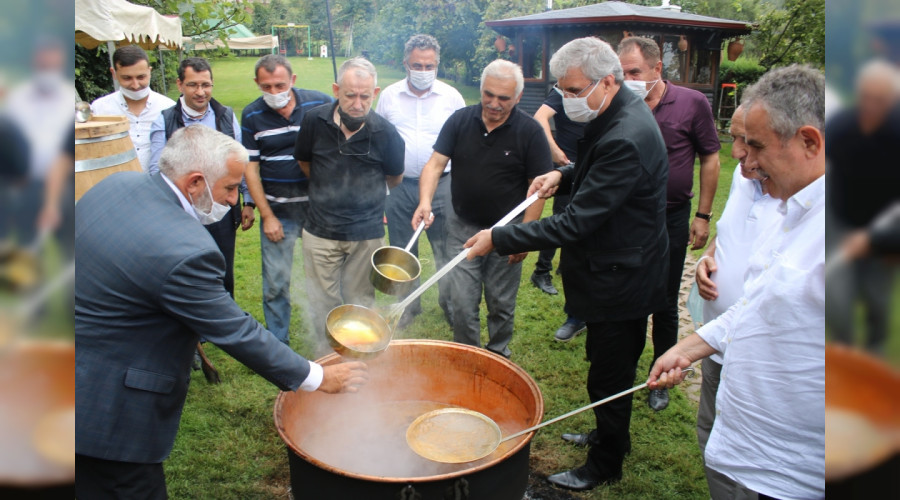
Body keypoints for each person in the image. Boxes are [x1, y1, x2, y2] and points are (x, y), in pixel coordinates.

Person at [75, 125, 368, 499]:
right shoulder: (183, 249)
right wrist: (315, 377)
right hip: (104, 410)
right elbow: (235, 330)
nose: (234, 201)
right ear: (195, 182)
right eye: (231, 188)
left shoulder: (115, 186)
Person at [465, 37, 668, 490]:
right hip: (615, 269)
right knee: (604, 362)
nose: (567, 101)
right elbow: (592, 165)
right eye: (563, 91)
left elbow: (573, 225)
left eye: (574, 92)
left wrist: (497, 237)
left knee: (610, 374)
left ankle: (604, 463)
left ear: (607, 82)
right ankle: (608, 434)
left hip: (622, 277)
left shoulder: (627, 136)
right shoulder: (614, 113)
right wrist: (563, 172)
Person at [649, 64, 826, 500]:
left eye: (757, 145)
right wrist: (687, 349)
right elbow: (758, 303)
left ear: (809, 141)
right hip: (749, 452)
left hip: (796, 476)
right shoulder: (791, 209)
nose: (743, 159)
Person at [412, 60, 550, 359]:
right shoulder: (461, 120)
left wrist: (525, 235)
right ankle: (468, 356)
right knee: (462, 302)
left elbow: (538, 190)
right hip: (462, 227)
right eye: (488, 94)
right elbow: (435, 165)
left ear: (517, 96)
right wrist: (424, 202)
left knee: (501, 302)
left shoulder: (530, 131)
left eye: (504, 98)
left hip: (507, 233)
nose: (494, 103)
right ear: (481, 88)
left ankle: (498, 354)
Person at [617, 36, 721, 411]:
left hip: (671, 217)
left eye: (635, 71)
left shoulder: (692, 102)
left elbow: (710, 158)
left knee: (663, 299)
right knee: (627, 294)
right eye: (622, 72)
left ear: (657, 69)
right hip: (626, 219)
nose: (627, 78)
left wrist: (703, 215)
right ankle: (621, 374)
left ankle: (660, 377)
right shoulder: (620, 104)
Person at [693, 104, 781, 500]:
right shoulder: (748, 181)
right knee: (712, 435)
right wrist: (708, 258)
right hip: (716, 346)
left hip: (759, 361)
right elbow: (726, 236)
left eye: (749, 141)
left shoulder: (799, 197)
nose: (736, 152)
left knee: (753, 464)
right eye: (735, 137)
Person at [293, 57, 405, 341]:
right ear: (335, 90)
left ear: (375, 93)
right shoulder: (313, 121)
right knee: (322, 304)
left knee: (360, 303)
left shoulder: (387, 134)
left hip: (366, 234)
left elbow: (394, 178)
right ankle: (327, 364)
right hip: (320, 231)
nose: (357, 104)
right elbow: (305, 163)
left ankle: (358, 357)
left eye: (365, 96)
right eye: (350, 95)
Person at [241, 55, 333, 344]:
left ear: (293, 80)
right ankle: (277, 343)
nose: (273, 93)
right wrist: (266, 215)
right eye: (265, 87)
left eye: (279, 85)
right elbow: (251, 168)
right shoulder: (252, 115)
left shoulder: (319, 103)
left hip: (318, 212)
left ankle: (329, 335)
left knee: (325, 279)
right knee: (276, 283)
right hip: (278, 211)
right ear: (257, 83)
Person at [374, 34, 465, 327]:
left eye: (429, 66)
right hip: (399, 186)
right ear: (405, 63)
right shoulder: (388, 96)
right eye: (417, 65)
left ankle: (449, 302)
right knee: (402, 250)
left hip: (443, 186)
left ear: (437, 64)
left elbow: (463, 143)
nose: (423, 71)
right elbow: (378, 140)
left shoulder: (451, 97)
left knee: (446, 247)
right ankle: (409, 307)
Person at [148, 57, 255, 297]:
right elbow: (156, 170)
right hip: (180, 214)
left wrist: (247, 201)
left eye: (206, 85)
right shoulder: (164, 120)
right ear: (180, 84)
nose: (200, 92)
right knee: (185, 271)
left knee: (221, 269)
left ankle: (223, 327)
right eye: (193, 85)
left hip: (220, 211)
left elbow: (240, 160)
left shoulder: (225, 116)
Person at [825, 59, 900, 355]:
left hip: (885, 235)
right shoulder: (842, 125)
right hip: (841, 224)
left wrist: (876, 241)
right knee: (837, 299)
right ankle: (844, 355)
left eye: (878, 100)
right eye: (865, 96)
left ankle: (874, 359)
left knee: (877, 303)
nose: (869, 105)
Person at [4, 37, 77, 247]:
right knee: (26, 244)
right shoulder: (17, 98)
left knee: (68, 244)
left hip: (66, 183)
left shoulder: (68, 97)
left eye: (54, 66)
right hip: (26, 184)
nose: (49, 72)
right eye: (44, 66)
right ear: (34, 64)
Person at [530, 88, 589, 342]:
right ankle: (542, 270)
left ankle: (562, 269)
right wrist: (554, 150)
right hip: (567, 169)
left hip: (594, 167)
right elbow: (540, 117)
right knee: (563, 222)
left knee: (583, 232)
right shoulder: (564, 87)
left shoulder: (606, 88)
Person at [90, 45, 175, 171]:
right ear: (114, 73)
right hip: (115, 182)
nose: (135, 85)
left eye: (141, 77)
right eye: (127, 78)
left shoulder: (168, 107)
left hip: (157, 184)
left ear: (149, 71)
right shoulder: (100, 108)